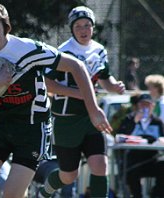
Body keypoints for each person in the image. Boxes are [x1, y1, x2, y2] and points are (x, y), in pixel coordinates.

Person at [0, 4, 112, 198]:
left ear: (6, 28)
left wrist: (94, 110)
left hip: (33, 129)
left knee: (12, 194)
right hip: (0, 125)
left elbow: (77, 66)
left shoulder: (28, 49)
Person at [39, 6, 125, 197]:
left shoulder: (99, 50)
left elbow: (104, 78)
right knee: (69, 176)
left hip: (91, 117)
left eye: (87, 25)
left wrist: (114, 86)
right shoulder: (63, 52)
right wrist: (77, 93)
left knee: (100, 166)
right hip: (67, 120)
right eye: (78, 26)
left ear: (93, 27)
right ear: (72, 29)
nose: (83, 30)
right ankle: (44, 192)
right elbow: (47, 84)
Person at [117, 93, 164, 197]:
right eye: (142, 104)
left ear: (153, 106)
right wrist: (134, 121)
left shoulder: (158, 122)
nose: (145, 107)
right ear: (138, 106)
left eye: (148, 105)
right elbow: (120, 136)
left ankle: (156, 194)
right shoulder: (129, 119)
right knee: (131, 174)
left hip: (152, 158)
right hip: (133, 160)